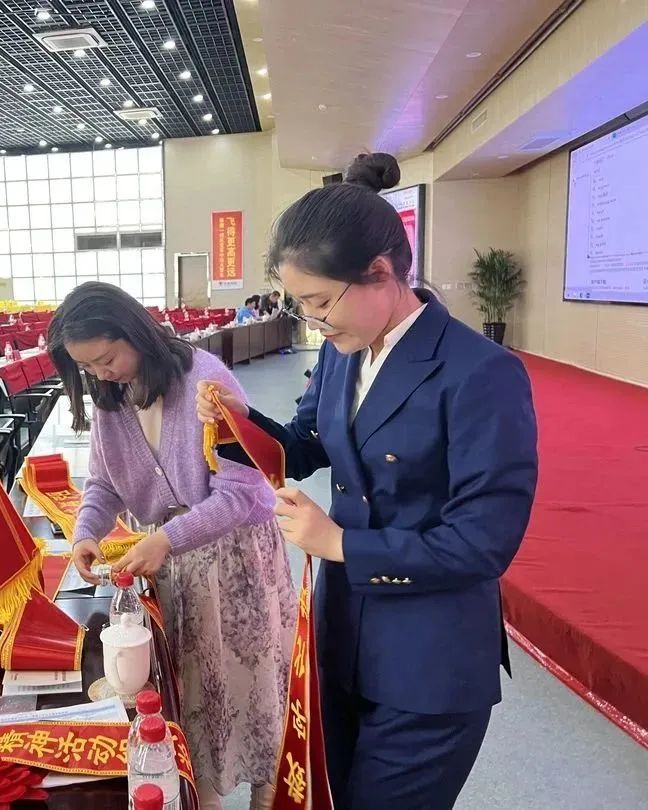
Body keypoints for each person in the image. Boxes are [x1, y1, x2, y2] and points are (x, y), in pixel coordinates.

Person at [197, 152, 538, 810]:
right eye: (302, 306)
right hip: (345, 633)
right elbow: (305, 445)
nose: (314, 322)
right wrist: (237, 422)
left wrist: (341, 545)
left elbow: (482, 542)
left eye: (320, 302)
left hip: (429, 657)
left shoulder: (479, 372)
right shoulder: (342, 350)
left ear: (381, 273)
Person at [51, 281, 296, 810]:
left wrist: (169, 537)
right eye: (88, 367)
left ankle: (269, 792)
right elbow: (104, 482)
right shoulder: (112, 399)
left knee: (252, 684)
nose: (102, 374)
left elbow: (243, 492)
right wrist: (86, 533)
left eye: (107, 359)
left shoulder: (205, 381)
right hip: (172, 562)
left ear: (135, 333)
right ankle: (199, 793)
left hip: (233, 558)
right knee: (190, 690)